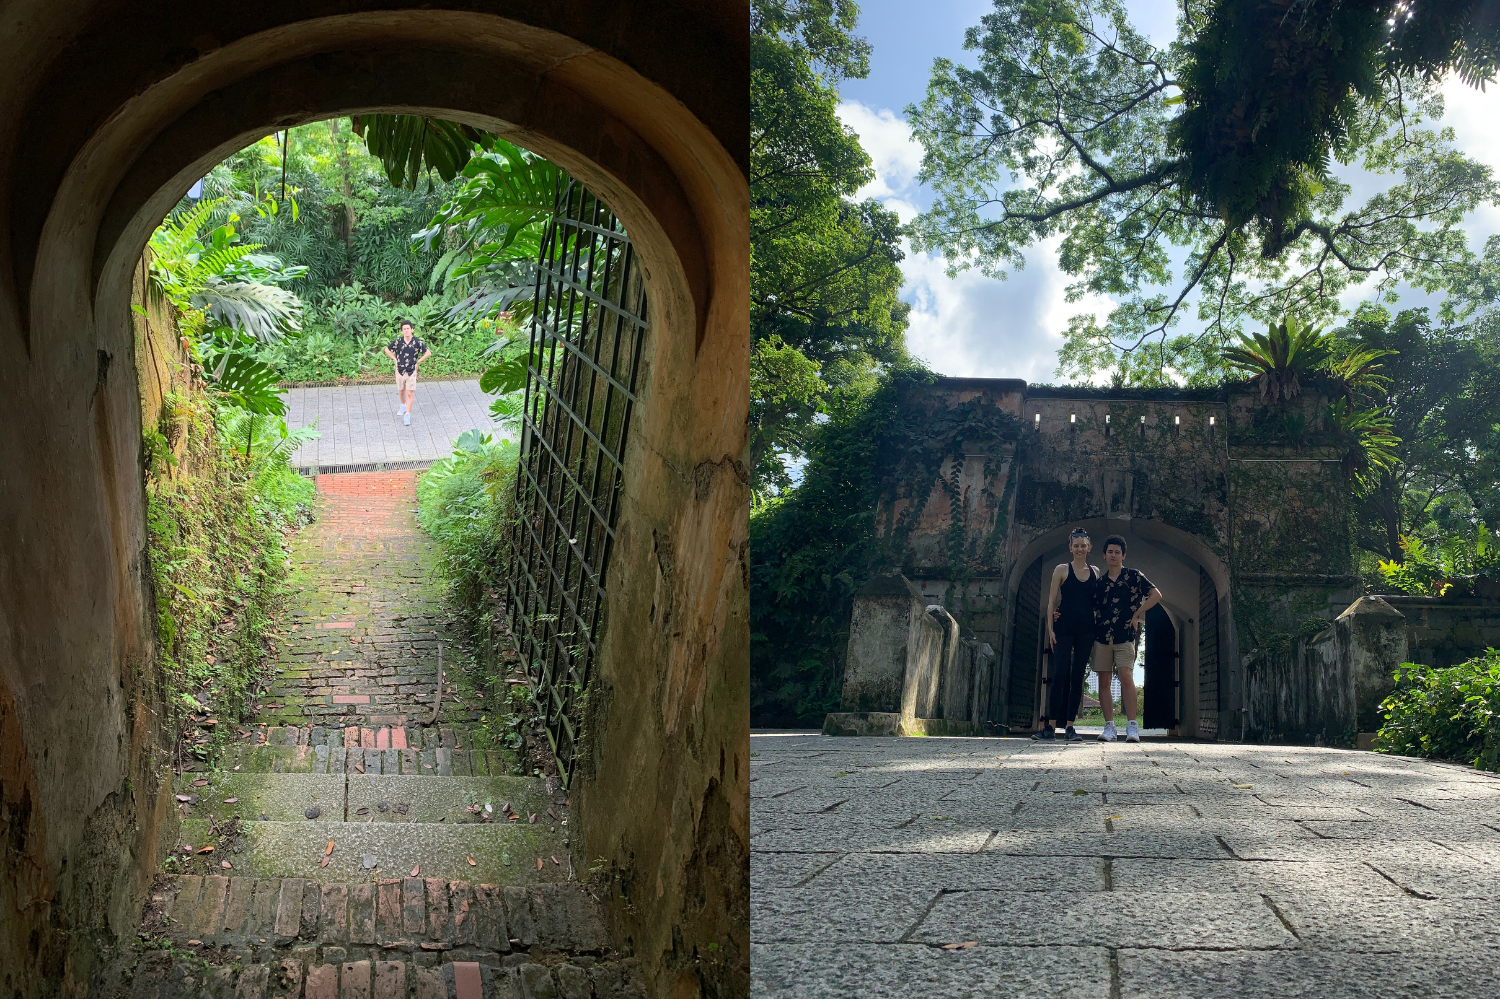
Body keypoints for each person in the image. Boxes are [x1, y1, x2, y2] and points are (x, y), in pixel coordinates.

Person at [1092, 535, 1163, 743]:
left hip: (1125, 635)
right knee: (1103, 681)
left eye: (1117, 552)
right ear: (1104, 555)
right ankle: (1109, 727)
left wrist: (1136, 615)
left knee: (1126, 676)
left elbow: (1157, 595)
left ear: (1123, 555)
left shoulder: (1134, 576)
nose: (1113, 555)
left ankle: (1132, 726)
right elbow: (1091, 608)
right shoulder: (1100, 583)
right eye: (1110, 552)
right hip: (1102, 636)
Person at [1034, 528, 1099, 742]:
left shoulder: (1096, 572)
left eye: (1083, 545)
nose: (1079, 549)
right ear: (1070, 548)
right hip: (1063, 628)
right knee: (1060, 674)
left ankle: (1070, 726)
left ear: (1089, 548)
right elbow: (1051, 602)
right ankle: (1050, 727)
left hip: (1086, 629)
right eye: (1076, 545)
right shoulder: (1062, 570)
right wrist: (1051, 629)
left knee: (1077, 676)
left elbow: (1097, 603)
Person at [384, 320, 431, 425]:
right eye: (404, 329)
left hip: (411, 371)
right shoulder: (398, 342)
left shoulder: (417, 342)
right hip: (400, 370)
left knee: (409, 393)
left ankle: (407, 415)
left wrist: (418, 361)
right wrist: (394, 359)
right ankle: (403, 405)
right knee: (401, 391)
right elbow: (387, 350)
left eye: (408, 329)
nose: (406, 331)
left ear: (412, 329)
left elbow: (428, 353)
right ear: (402, 331)